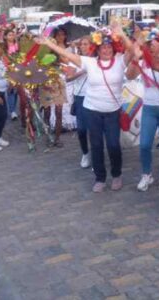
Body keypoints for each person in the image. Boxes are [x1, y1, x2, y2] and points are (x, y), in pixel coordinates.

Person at [40, 22, 134, 193]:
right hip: (92, 110)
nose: (106, 50)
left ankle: (117, 174)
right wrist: (49, 44)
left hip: (113, 111)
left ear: (113, 48)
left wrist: (121, 34)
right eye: (103, 48)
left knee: (113, 145)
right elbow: (67, 56)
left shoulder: (120, 61)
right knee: (96, 145)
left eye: (109, 47)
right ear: (97, 49)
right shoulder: (89, 62)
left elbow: (133, 52)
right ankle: (100, 178)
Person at [127, 28, 159, 192]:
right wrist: (135, 58)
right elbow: (129, 76)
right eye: (149, 45)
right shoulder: (143, 62)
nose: (150, 48)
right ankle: (146, 174)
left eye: (154, 45)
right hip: (149, 108)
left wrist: (145, 56)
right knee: (145, 144)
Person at [70, 36, 93, 168]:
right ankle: (85, 152)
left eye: (86, 44)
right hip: (80, 98)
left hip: (94, 97)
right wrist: (83, 71)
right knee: (82, 129)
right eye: (81, 44)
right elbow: (68, 78)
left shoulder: (97, 60)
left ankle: (96, 155)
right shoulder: (75, 60)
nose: (83, 47)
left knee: (94, 130)